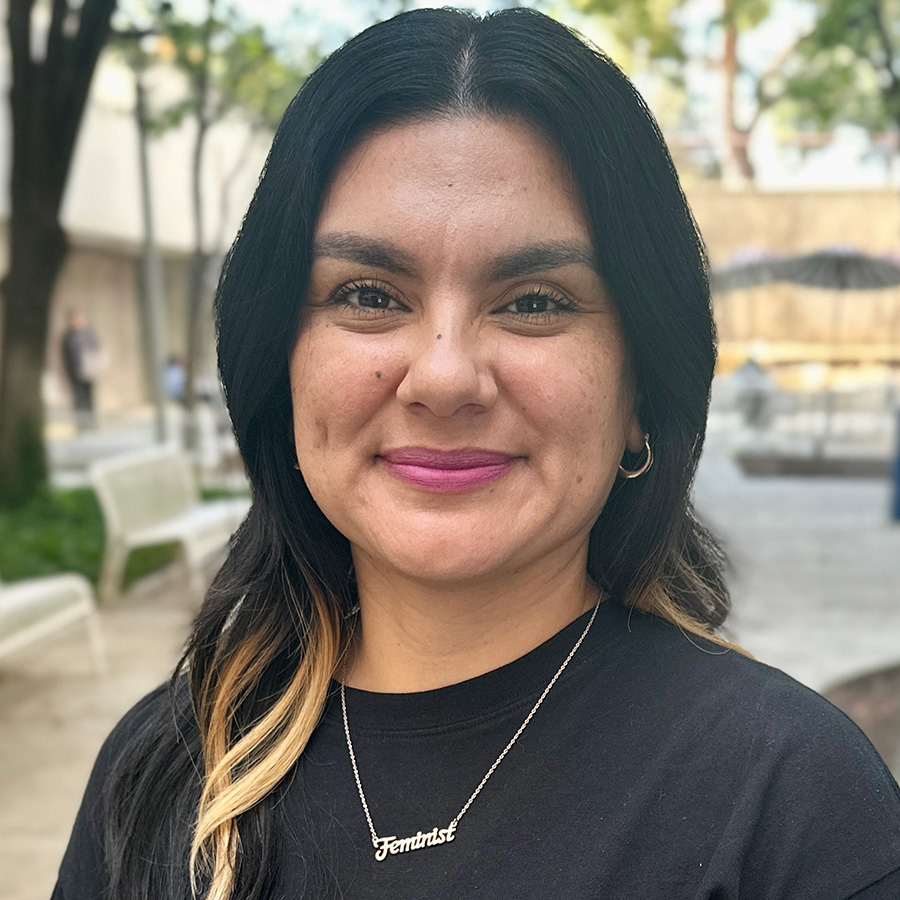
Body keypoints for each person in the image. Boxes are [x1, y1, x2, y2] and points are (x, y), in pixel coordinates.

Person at [53, 8, 900, 900]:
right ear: (279, 364)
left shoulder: (792, 807)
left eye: (535, 302)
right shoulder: (161, 776)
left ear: (642, 391)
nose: (445, 377)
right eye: (370, 293)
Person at [60, 310, 103, 429]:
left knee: (89, 399)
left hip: (88, 371)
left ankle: (91, 424)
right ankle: (81, 425)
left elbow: (96, 349)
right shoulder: (68, 337)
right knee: (78, 400)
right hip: (75, 373)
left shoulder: (88, 333)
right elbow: (65, 357)